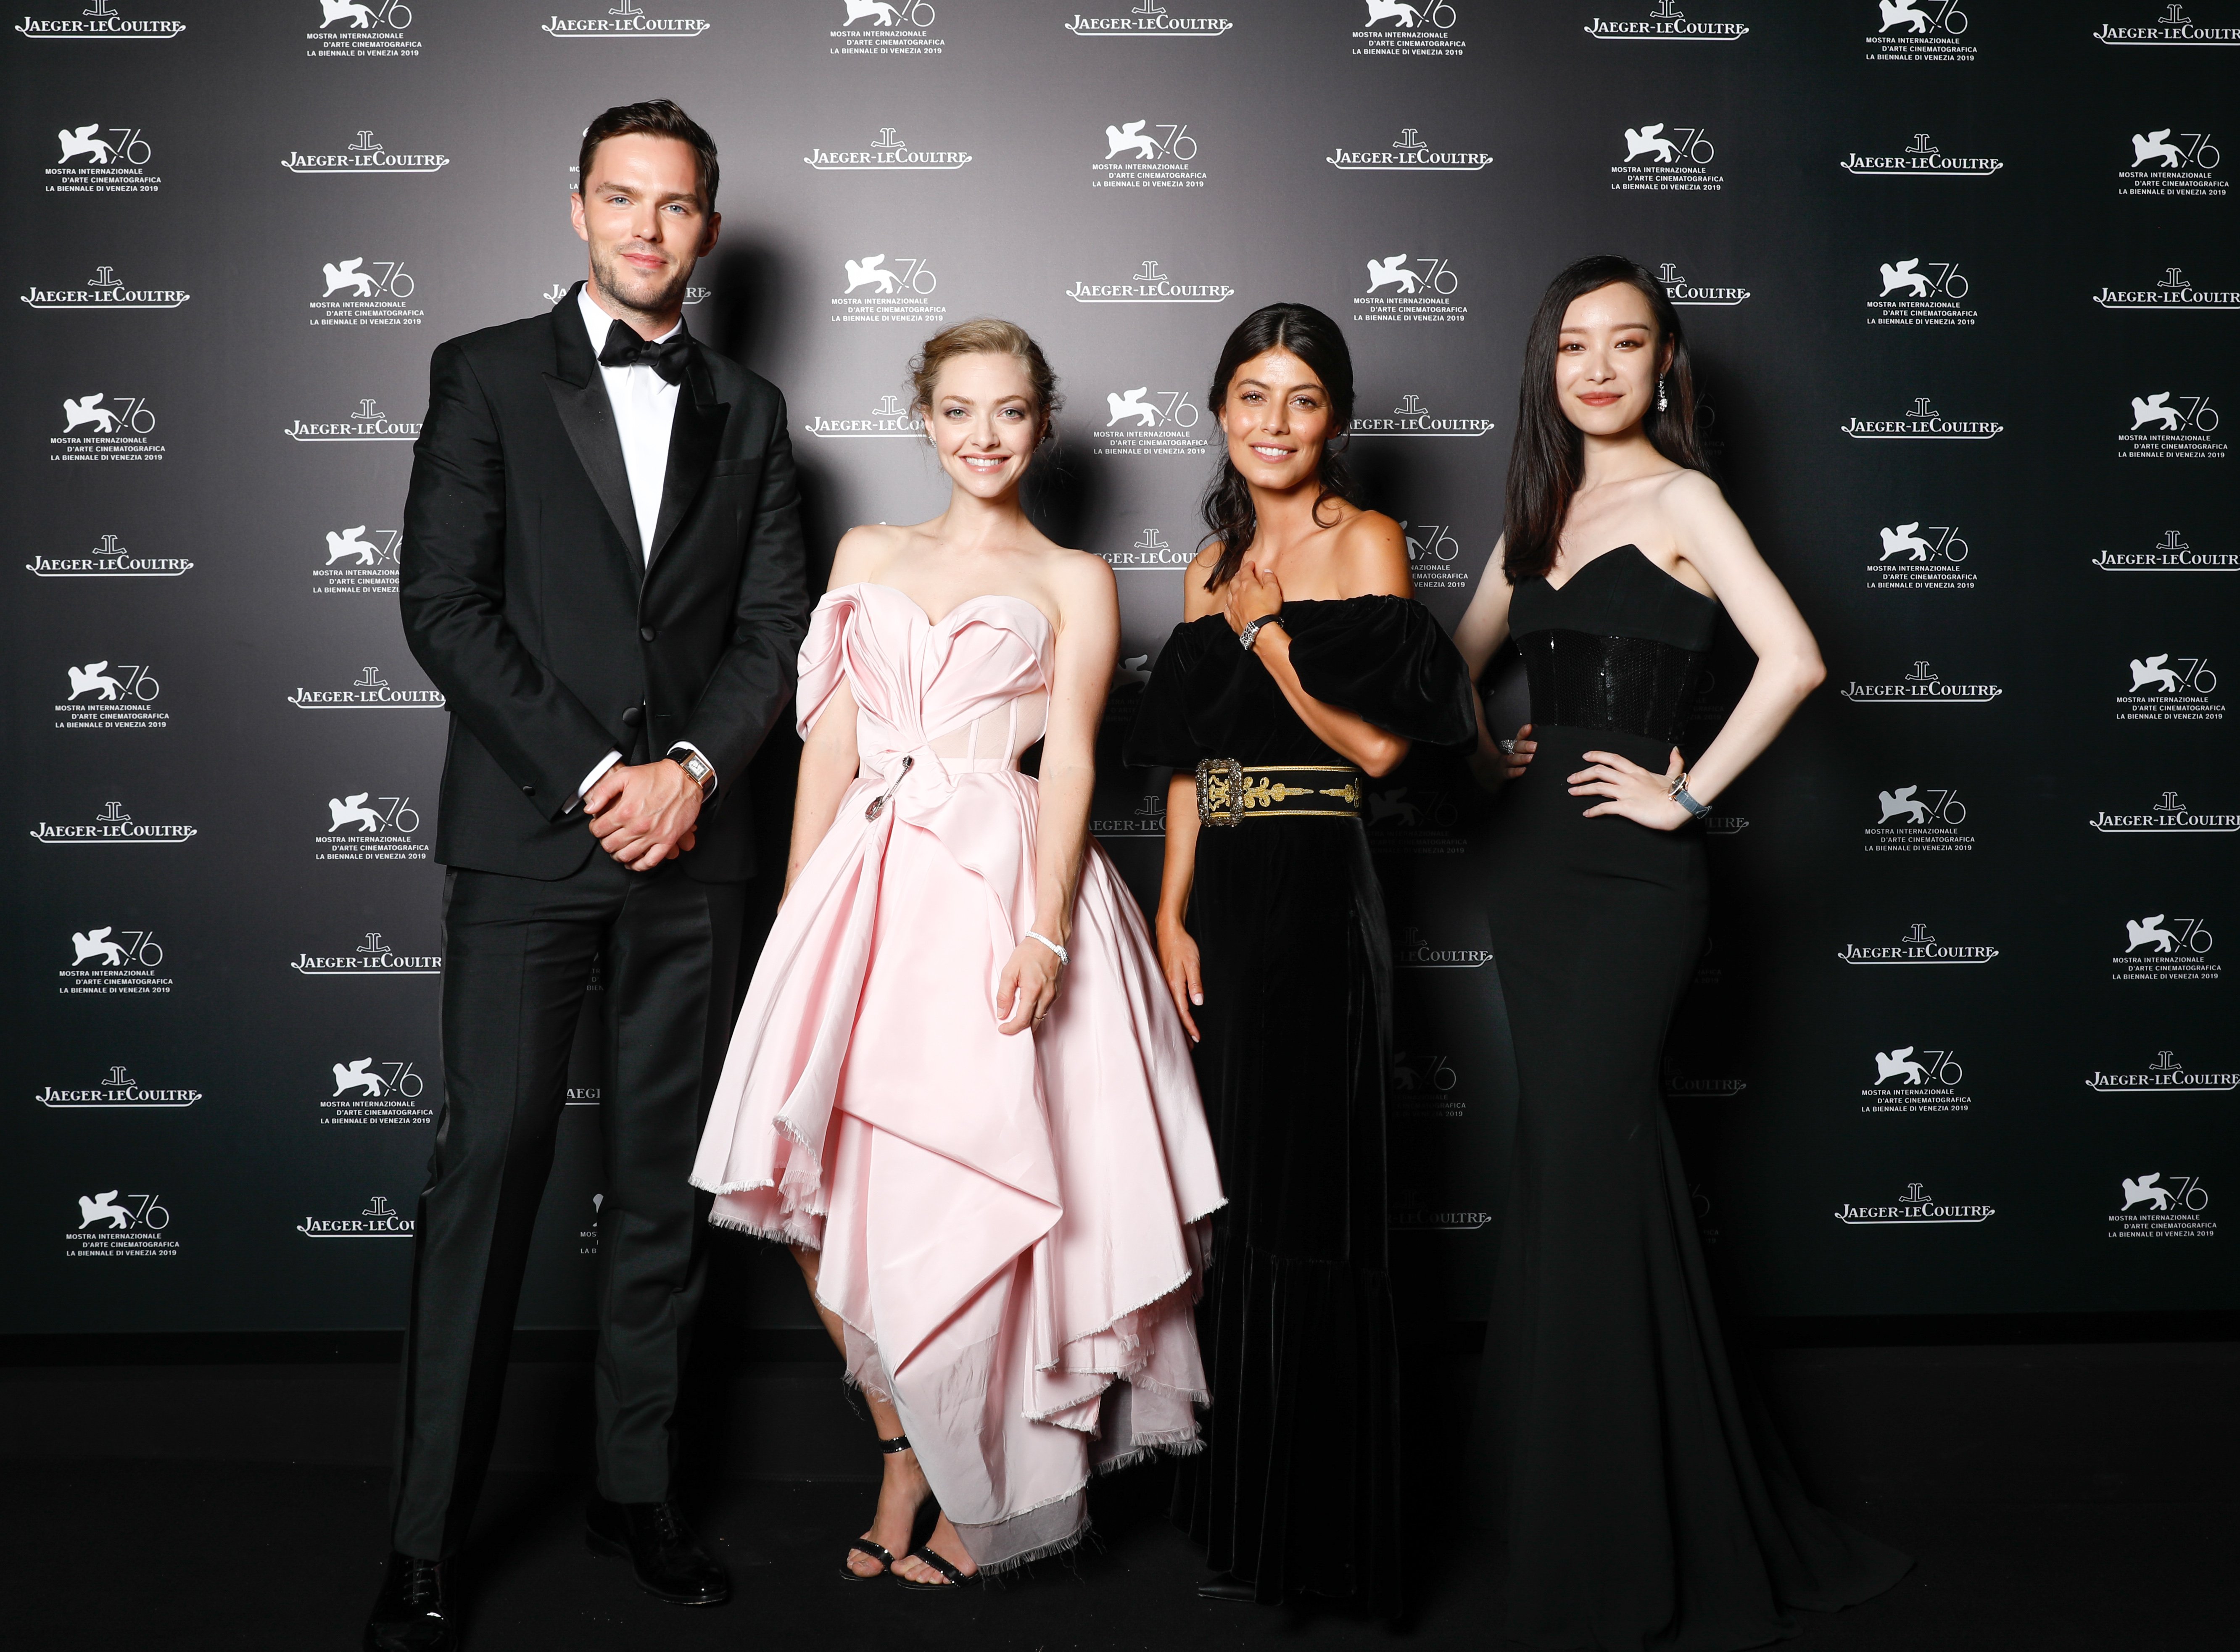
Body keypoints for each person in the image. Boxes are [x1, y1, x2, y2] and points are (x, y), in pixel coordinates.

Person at [690, 319, 1224, 1589]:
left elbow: (1077, 758)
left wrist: (1044, 925)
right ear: (923, 421)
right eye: (958, 411)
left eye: (1009, 412)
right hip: (859, 884)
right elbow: (829, 738)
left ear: (1041, 426)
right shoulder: (866, 550)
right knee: (822, 1186)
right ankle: (904, 1443)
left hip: (995, 880)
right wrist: (798, 912)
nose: (983, 435)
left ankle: (967, 1481)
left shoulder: (1075, 574)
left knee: (973, 1186)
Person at [374, 101, 810, 1651]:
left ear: (707, 226)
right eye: (621, 199)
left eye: (675, 204)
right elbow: (442, 605)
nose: (646, 227)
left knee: (660, 1198)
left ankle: (636, 1491)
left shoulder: (751, 410)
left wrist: (687, 773)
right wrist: (593, 775)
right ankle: (426, 1535)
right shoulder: (483, 373)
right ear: (576, 209)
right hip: (529, 845)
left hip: (692, 856)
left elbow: (774, 631)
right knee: (485, 1169)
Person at [1454, 255, 1911, 1649]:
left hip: (1636, 875)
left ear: (1666, 365)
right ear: (1547, 364)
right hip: (1531, 873)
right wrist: (1489, 751)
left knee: (1592, 1158)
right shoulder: (1537, 507)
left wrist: (1689, 794)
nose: (1596, 366)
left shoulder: (1683, 498)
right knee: (1580, 1163)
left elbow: (1794, 659)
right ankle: (1585, 1505)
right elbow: (1450, 665)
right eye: (1573, 344)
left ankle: (1628, 1528)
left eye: (1626, 342)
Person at [1126, 303, 1478, 1619]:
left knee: (1317, 1197)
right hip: (1222, 892)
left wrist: (1274, 639)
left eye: (1303, 399)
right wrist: (1171, 915)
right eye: (1252, 396)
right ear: (1220, 409)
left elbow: (1384, 754)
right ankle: (1241, 1512)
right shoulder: (1201, 564)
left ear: (1335, 418)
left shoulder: (1364, 540)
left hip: (1322, 891)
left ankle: (1322, 1535)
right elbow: (1182, 770)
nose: (1275, 423)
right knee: (1242, 1202)